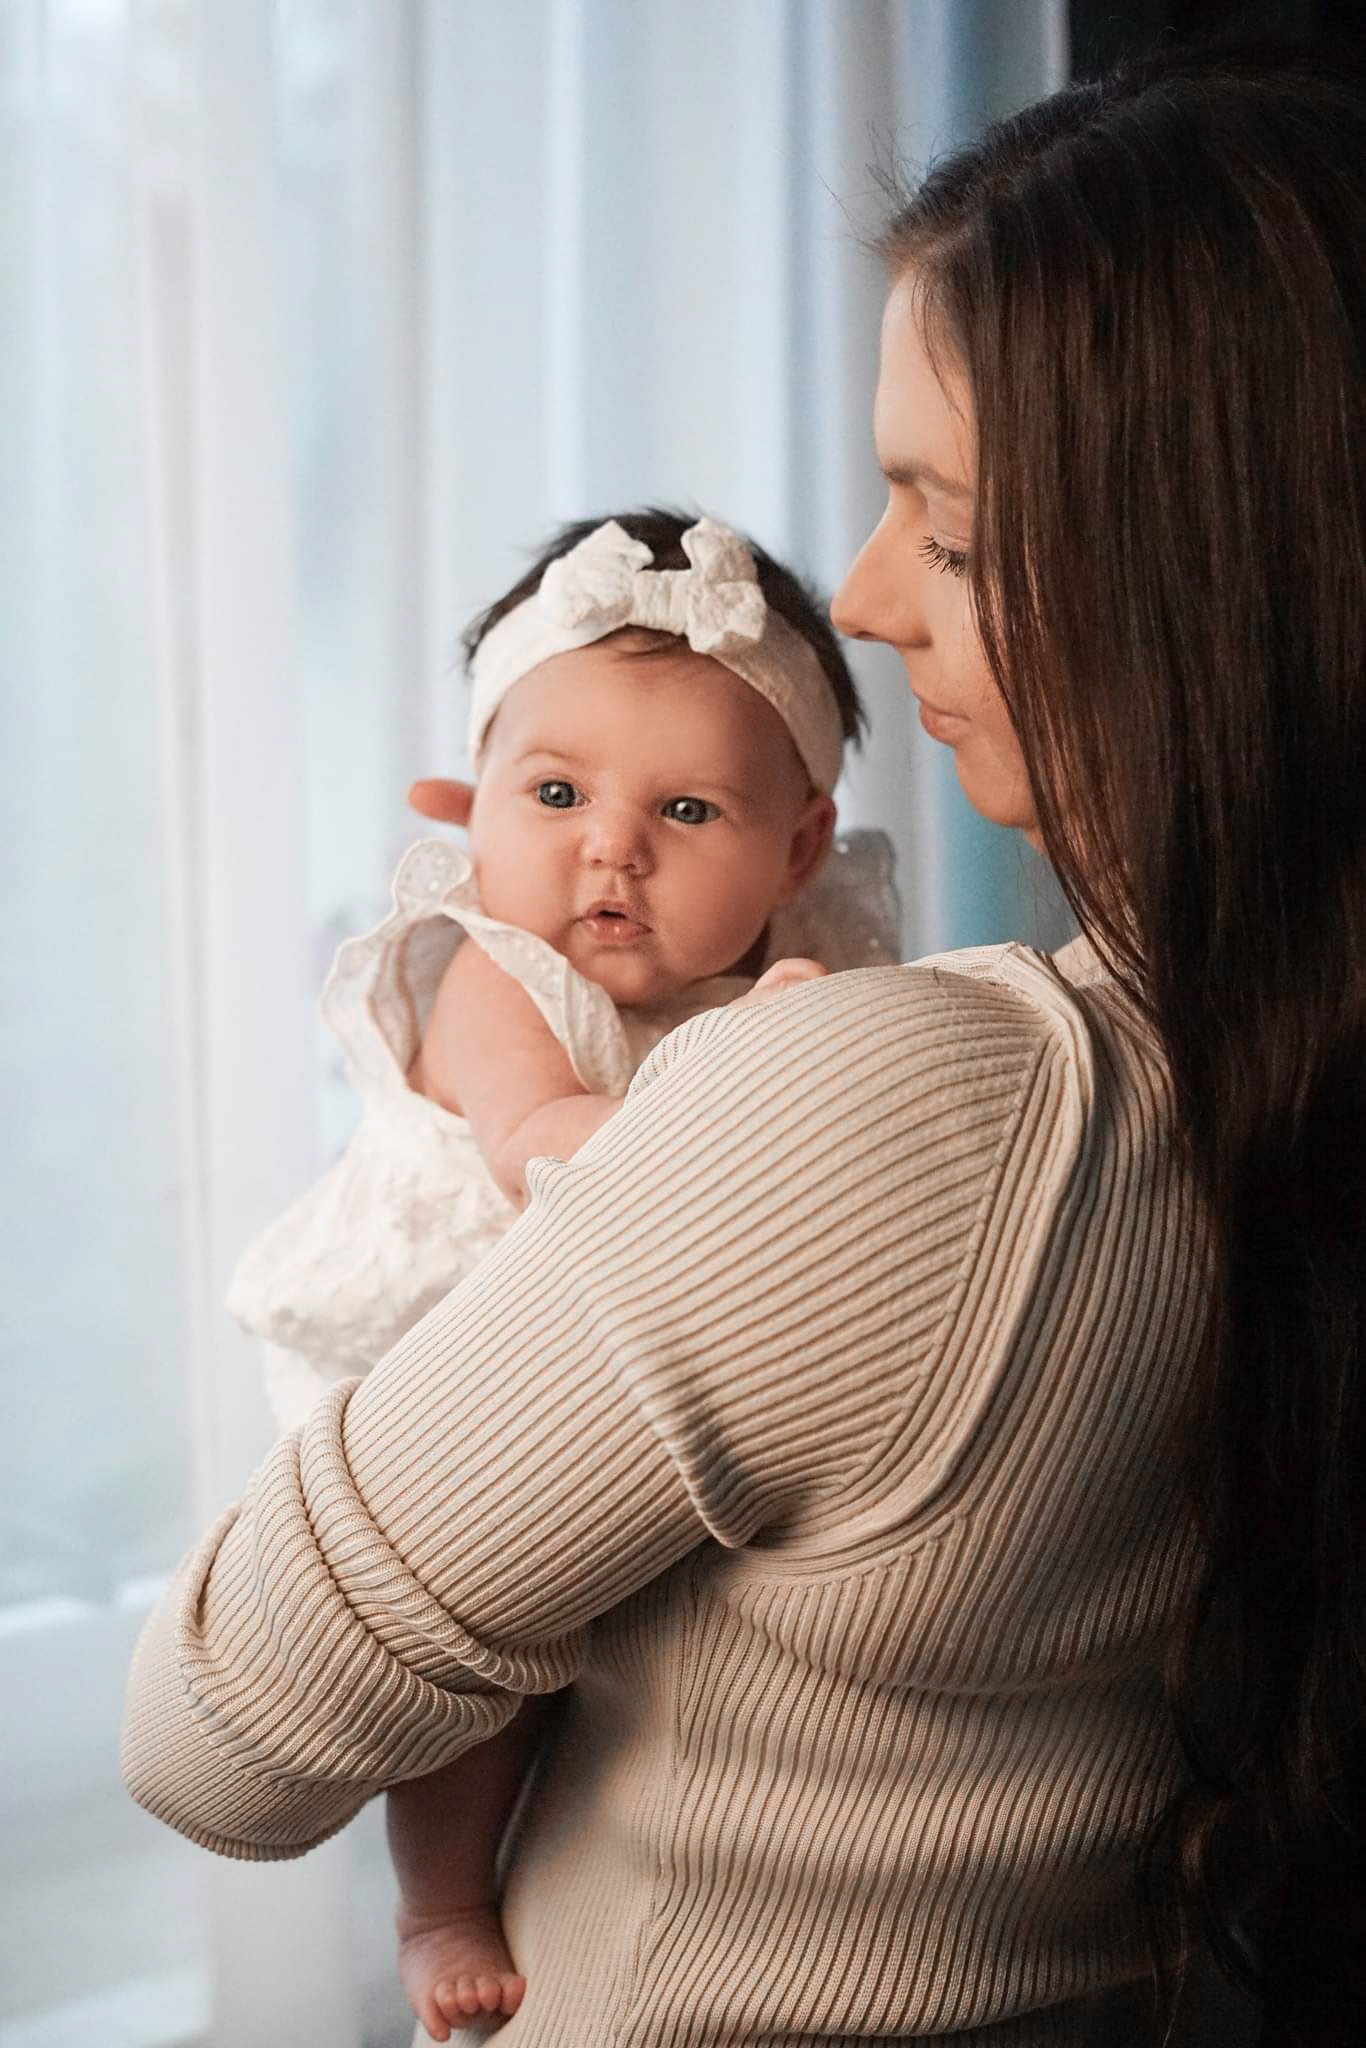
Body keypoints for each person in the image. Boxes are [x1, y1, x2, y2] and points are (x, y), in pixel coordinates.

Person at [121, 35, 1365, 2047]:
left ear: (1201, 580)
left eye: (944, 531)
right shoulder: (1246, 1086)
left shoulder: (882, 1105)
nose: (865, 600)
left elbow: (213, 1735)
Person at [225, 505, 900, 2038]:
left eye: (686, 812)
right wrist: (747, 1070)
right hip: (444, 1382)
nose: (610, 847)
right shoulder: (489, 974)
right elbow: (548, 1141)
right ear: (467, 815)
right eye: (553, 793)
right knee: (490, 1682)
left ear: (798, 844)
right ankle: (439, 1901)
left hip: (639, 1370)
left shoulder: (804, 968)